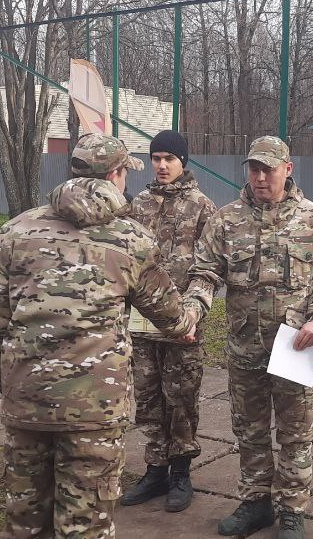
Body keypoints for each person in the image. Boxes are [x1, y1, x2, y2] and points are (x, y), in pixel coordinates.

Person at [0, 133, 198, 539]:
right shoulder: (131, 239)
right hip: (95, 407)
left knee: (25, 518)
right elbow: (170, 315)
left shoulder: (15, 231)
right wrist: (192, 315)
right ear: (116, 174)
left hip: (26, 397)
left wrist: (5, 382)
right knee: (85, 523)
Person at [184, 136, 313, 539]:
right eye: (254, 169)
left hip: (295, 345)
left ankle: (291, 509)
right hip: (245, 346)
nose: (260, 177)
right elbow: (205, 273)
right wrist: (192, 311)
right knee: (250, 430)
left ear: (287, 169)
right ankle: (256, 503)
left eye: (268, 170)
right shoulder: (226, 220)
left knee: (296, 431)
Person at [120, 130, 218, 512]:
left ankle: (181, 472)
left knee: (181, 398)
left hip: (182, 325)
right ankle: (155, 469)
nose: (161, 165)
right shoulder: (138, 205)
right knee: (147, 398)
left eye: (169, 159)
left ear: (183, 162)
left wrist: (190, 315)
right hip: (141, 324)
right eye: (156, 158)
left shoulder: (202, 207)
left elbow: (209, 268)